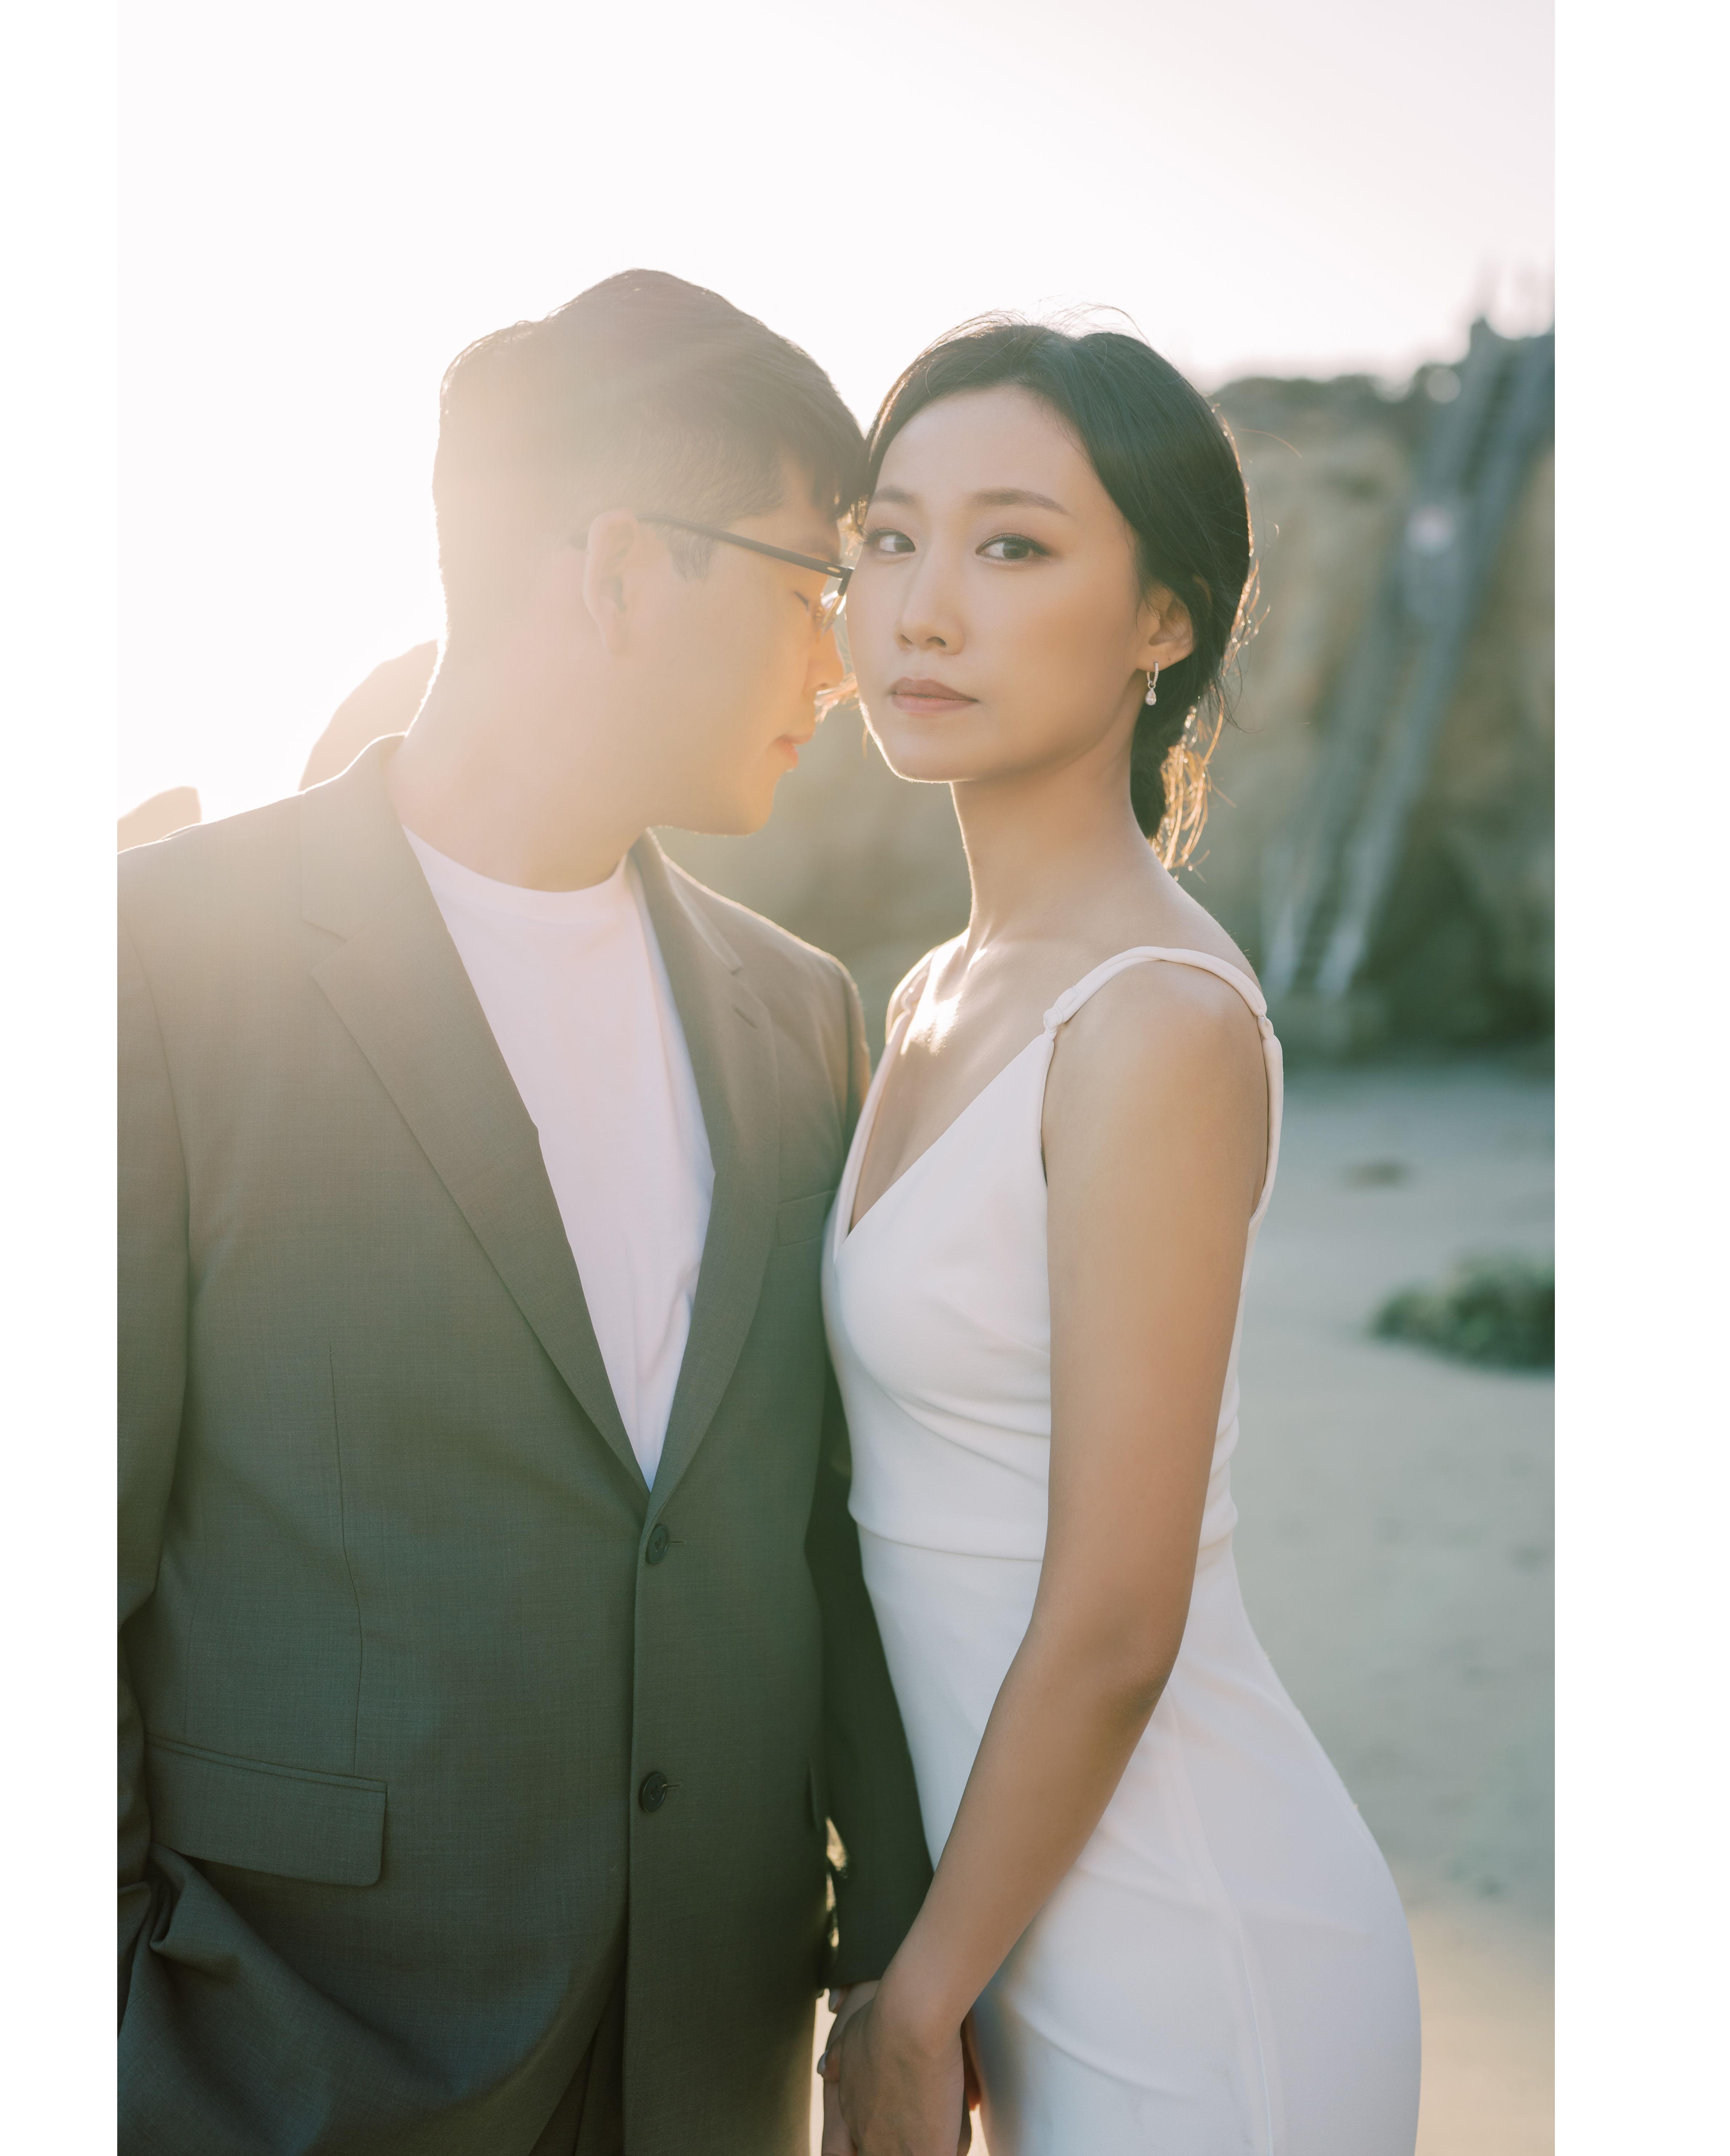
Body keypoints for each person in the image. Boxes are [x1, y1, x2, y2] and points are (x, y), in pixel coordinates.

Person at [119, 270, 934, 2155]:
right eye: (812, 586)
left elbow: (825, 1536)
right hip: (290, 2065)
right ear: (624, 567)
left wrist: (894, 1963)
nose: (844, 665)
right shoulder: (158, 962)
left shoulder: (800, 1012)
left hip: (711, 2059)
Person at [819, 323, 1422, 2155]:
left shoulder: (1152, 1018)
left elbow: (1113, 1615)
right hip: (1012, 1936)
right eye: (888, 537)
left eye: (1011, 545)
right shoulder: (932, 991)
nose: (923, 607)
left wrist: (913, 2005)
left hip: (1192, 1948)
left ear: (1162, 619)